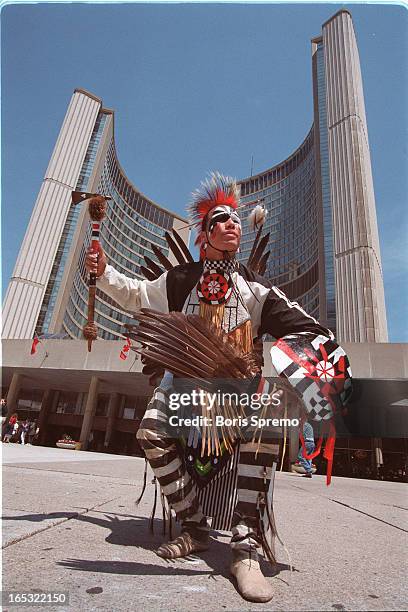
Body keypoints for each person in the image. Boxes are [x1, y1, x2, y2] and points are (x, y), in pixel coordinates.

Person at [85, 172, 350, 603]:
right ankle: (194, 526)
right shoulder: (179, 280)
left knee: (266, 417)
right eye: (222, 219)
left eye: (237, 221)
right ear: (204, 235)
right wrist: (104, 269)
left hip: (237, 391)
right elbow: (135, 294)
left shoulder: (257, 290)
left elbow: (310, 330)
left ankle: (245, 546)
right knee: (151, 432)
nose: (234, 225)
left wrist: (319, 371)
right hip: (186, 387)